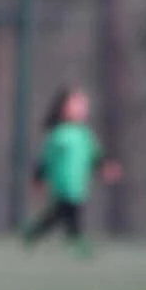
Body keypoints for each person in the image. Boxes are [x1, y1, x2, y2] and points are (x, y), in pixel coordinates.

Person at [23, 85, 122, 257]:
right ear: (63, 108)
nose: (82, 109)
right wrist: (38, 178)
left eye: (83, 106)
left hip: (78, 183)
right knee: (69, 212)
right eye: (77, 105)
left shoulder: (84, 135)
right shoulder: (57, 134)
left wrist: (105, 167)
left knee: (58, 215)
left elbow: (95, 155)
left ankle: (34, 232)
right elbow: (45, 158)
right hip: (62, 183)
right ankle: (76, 242)